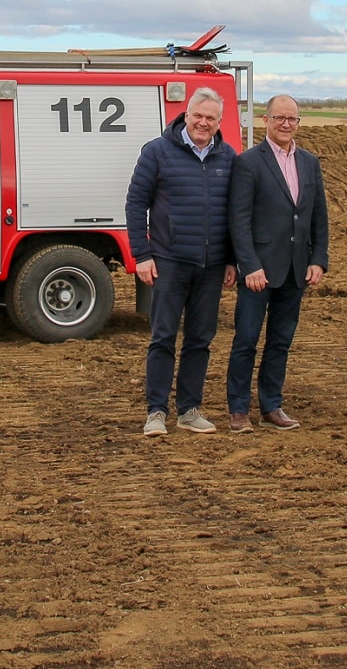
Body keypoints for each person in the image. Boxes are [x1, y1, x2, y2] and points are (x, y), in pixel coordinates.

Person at [126, 87, 238, 438]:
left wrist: (231, 259)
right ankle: (156, 412)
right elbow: (135, 204)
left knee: (200, 339)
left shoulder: (228, 157)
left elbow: (234, 213)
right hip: (169, 262)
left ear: (219, 122)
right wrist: (142, 254)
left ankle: (189, 410)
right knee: (163, 337)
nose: (203, 123)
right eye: (198, 116)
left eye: (211, 118)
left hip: (211, 266)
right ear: (186, 115)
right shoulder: (157, 152)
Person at [226, 95, 329, 433]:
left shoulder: (309, 163)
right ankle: (238, 409)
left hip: (296, 269)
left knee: (280, 342)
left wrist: (318, 259)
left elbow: (318, 216)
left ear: (298, 123)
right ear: (266, 120)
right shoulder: (248, 163)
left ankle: (271, 406)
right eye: (280, 118)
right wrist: (249, 265)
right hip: (259, 271)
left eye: (292, 119)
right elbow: (239, 220)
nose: (286, 124)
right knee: (246, 340)